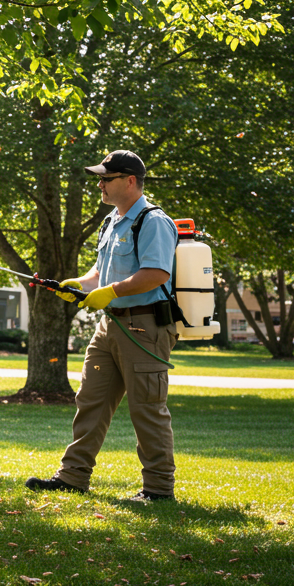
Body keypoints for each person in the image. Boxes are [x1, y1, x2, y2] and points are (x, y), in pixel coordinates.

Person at [26, 150, 180, 503]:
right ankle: (72, 477)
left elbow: (156, 274)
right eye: (99, 179)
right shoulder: (112, 220)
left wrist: (110, 292)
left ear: (130, 181)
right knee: (90, 402)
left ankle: (158, 489)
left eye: (106, 179)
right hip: (109, 324)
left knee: (146, 408)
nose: (100, 185)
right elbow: (100, 273)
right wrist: (77, 285)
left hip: (144, 327)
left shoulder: (153, 221)